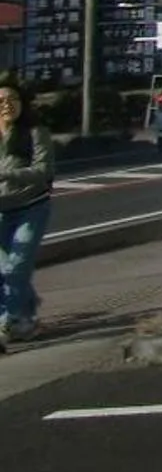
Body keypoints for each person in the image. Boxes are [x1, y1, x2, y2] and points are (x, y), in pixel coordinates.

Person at [0, 83, 56, 344]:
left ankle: (7, 324)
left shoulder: (35, 132)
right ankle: (27, 316)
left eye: (12, 99)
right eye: (1, 100)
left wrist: (8, 174)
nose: (6, 104)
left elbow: (44, 170)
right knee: (6, 271)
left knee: (17, 268)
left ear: (22, 103)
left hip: (31, 207)